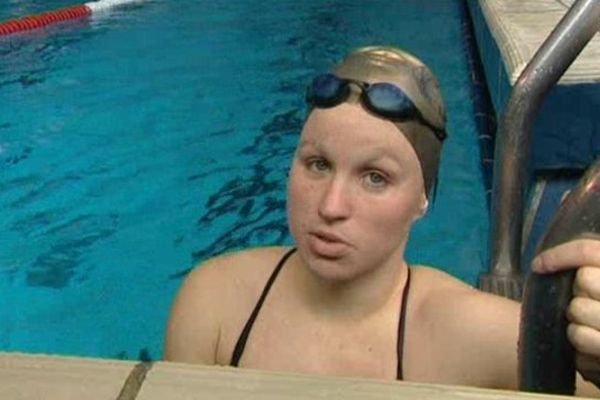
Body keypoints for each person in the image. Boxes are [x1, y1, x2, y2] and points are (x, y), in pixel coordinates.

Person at [164, 46, 600, 396]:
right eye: (317, 164)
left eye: (375, 178)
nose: (331, 206)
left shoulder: (468, 333)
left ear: (423, 199)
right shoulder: (214, 304)